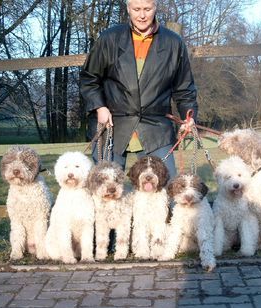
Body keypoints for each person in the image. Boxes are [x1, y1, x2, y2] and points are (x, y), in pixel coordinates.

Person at [80, 0, 198, 177]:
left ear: (155, 7)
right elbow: (89, 79)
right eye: (136, 9)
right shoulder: (109, 38)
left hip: (156, 127)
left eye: (147, 9)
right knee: (106, 191)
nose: (142, 15)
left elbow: (184, 87)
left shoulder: (173, 43)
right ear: (128, 8)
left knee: (167, 188)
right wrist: (100, 107)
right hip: (113, 124)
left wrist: (188, 117)